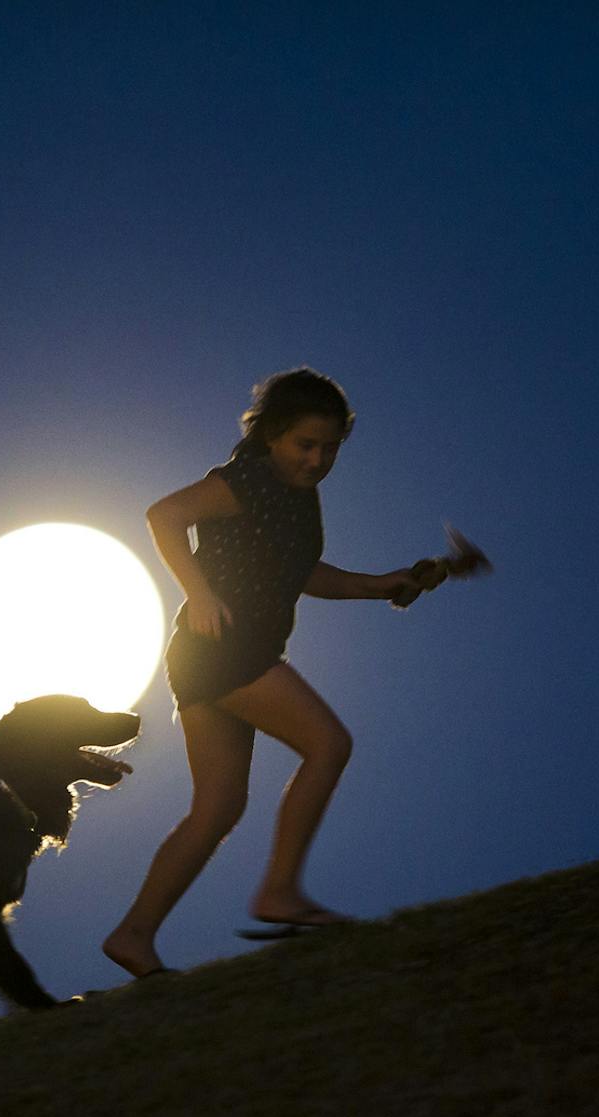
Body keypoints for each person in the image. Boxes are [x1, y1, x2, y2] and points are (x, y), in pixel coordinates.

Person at [101, 368, 443, 980]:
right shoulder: (248, 480)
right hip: (226, 651)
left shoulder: (297, 500)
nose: (316, 460)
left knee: (218, 808)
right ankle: (280, 892)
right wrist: (199, 592)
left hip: (208, 656)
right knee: (329, 744)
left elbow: (304, 574)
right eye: (304, 445)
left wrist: (383, 585)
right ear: (273, 437)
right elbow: (164, 515)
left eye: (329, 448)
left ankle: (133, 936)